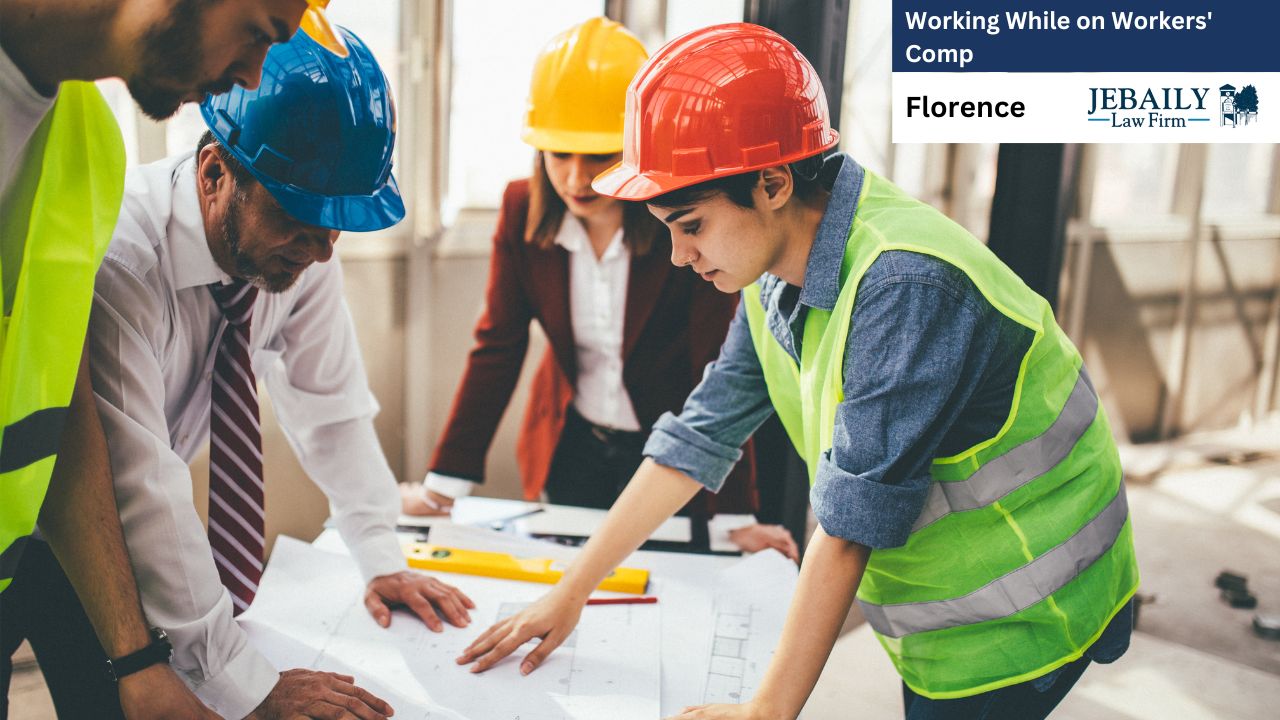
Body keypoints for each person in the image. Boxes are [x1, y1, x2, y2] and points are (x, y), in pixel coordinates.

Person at [457, 23, 1139, 720]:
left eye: (690, 225)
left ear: (774, 182)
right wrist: (570, 590)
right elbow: (700, 436)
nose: (678, 255)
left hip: (1024, 614)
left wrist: (765, 712)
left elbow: (847, 528)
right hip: (950, 605)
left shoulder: (903, 286)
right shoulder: (772, 272)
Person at [80, 26, 475, 720]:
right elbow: (143, 484)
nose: (323, 251)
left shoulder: (297, 256)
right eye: (301, 218)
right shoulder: (123, 262)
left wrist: (380, 551)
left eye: (337, 226)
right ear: (213, 173)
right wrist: (249, 683)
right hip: (72, 535)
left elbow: (332, 407)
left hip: (144, 517)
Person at [0, 1, 343, 717]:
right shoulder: (131, 239)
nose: (250, 73)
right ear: (216, 176)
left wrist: (139, 659)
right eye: (259, 31)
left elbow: (67, 414)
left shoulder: (83, 142)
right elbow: (145, 477)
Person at [401, 17, 795, 558]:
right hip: (570, 443)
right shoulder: (520, 211)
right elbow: (498, 347)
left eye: (598, 155)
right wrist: (443, 486)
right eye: (560, 154)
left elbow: (721, 366)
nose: (575, 178)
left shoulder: (683, 223)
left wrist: (735, 519)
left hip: (669, 449)